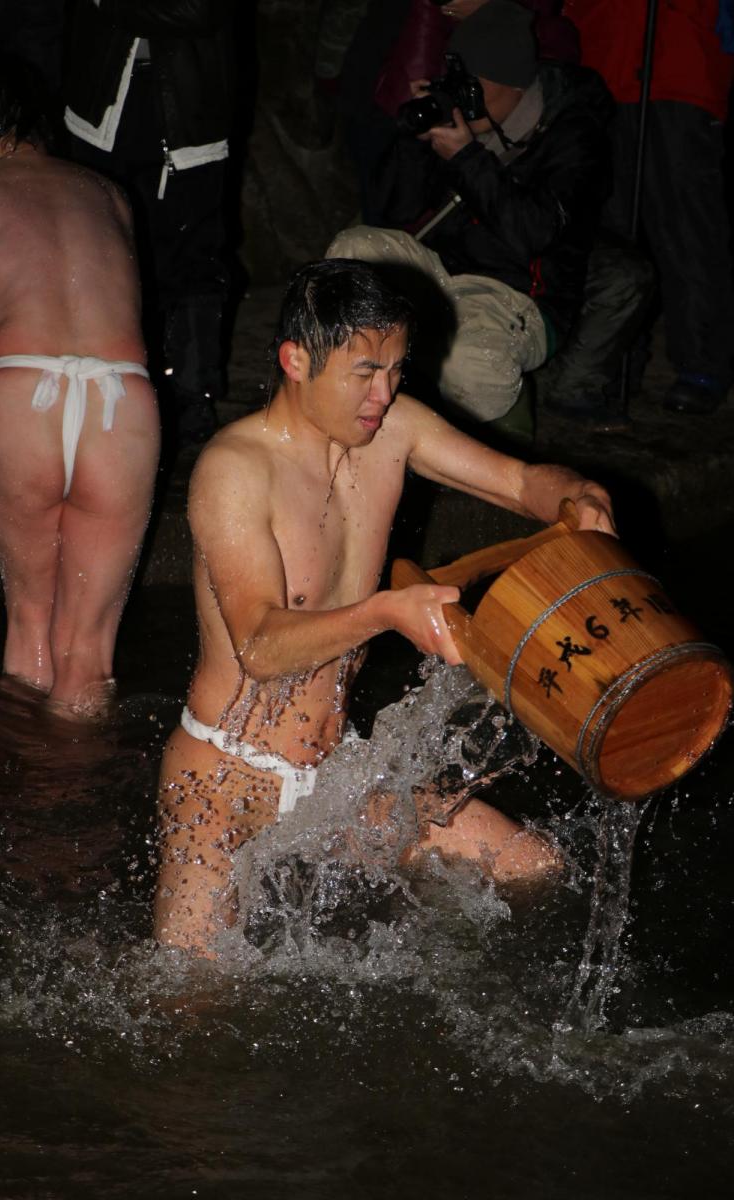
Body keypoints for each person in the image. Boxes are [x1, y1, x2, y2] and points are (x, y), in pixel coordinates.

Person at [154, 258, 616, 957]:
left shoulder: (394, 428)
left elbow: (522, 480)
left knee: (535, 872)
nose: (385, 392)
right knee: (189, 1004)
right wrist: (386, 612)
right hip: (224, 778)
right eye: (365, 371)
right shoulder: (234, 469)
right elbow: (259, 644)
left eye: (398, 369)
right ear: (296, 359)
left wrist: (574, 494)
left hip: (335, 778)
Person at [0, 56, 160, 714]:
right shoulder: (107, 194)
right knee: (88, 651)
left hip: (22, 393)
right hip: (123, 400)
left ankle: (28, 801)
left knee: (29, 620)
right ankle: (85, 805)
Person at [327, 0, 612, 434]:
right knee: (352, 250)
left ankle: (500, 447)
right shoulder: (457, 120)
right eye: (457, 85)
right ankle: (352, 414)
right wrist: (413, 142)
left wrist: (467, 158)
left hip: (521, 296)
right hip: (443, 270)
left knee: (470, 366)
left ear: (515, 85)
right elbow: (393, 214)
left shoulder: (572, 134)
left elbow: (532, 233)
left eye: (473, 89)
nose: (461, 102)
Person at [63, 0, 235, 451]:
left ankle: (191, 398)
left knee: (190, 255)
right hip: (101, 108)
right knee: (99, 252)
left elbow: (201, 10)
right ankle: (103, 385)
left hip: (187, 114)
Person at [565, 0, 734, 416]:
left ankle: (701, 365)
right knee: (610, 230)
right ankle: (615, 361)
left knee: (685, 228)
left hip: (681, 64)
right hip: (602, 60)